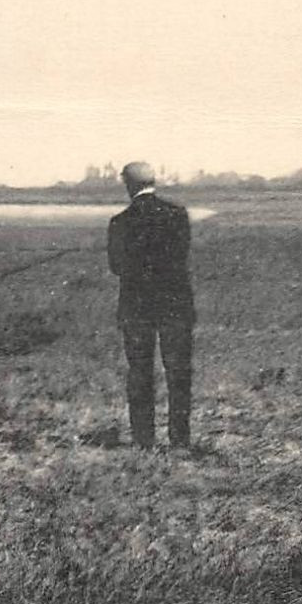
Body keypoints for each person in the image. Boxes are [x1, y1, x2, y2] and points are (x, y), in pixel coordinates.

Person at [107, 161, 195, 450]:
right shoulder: (178, 215)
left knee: (140, 372)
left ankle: (144, 440)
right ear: (154, 181)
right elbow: (181, 255)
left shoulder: (119, 222)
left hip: (137, 307)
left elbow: (116, 267)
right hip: (175, 304)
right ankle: (180, 440)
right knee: (178, 372)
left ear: (127, 184)